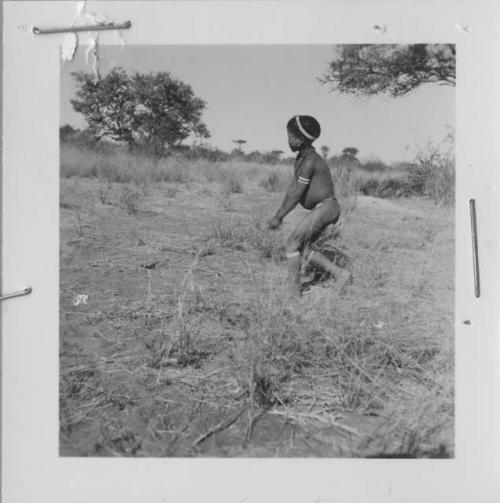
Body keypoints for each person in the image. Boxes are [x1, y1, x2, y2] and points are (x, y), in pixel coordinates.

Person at [268, 115, 351, 296]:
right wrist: (279, 213)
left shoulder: (310, 161)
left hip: (326, 207)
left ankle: (293, 294)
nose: (288, 140)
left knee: (291, 243)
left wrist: (278, 217)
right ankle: (341, 274)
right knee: (303, 248)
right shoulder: (302, 159)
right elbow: (292, 190)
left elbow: (297, 194)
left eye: (290, 137)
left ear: (300, 139)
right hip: (325, 207)